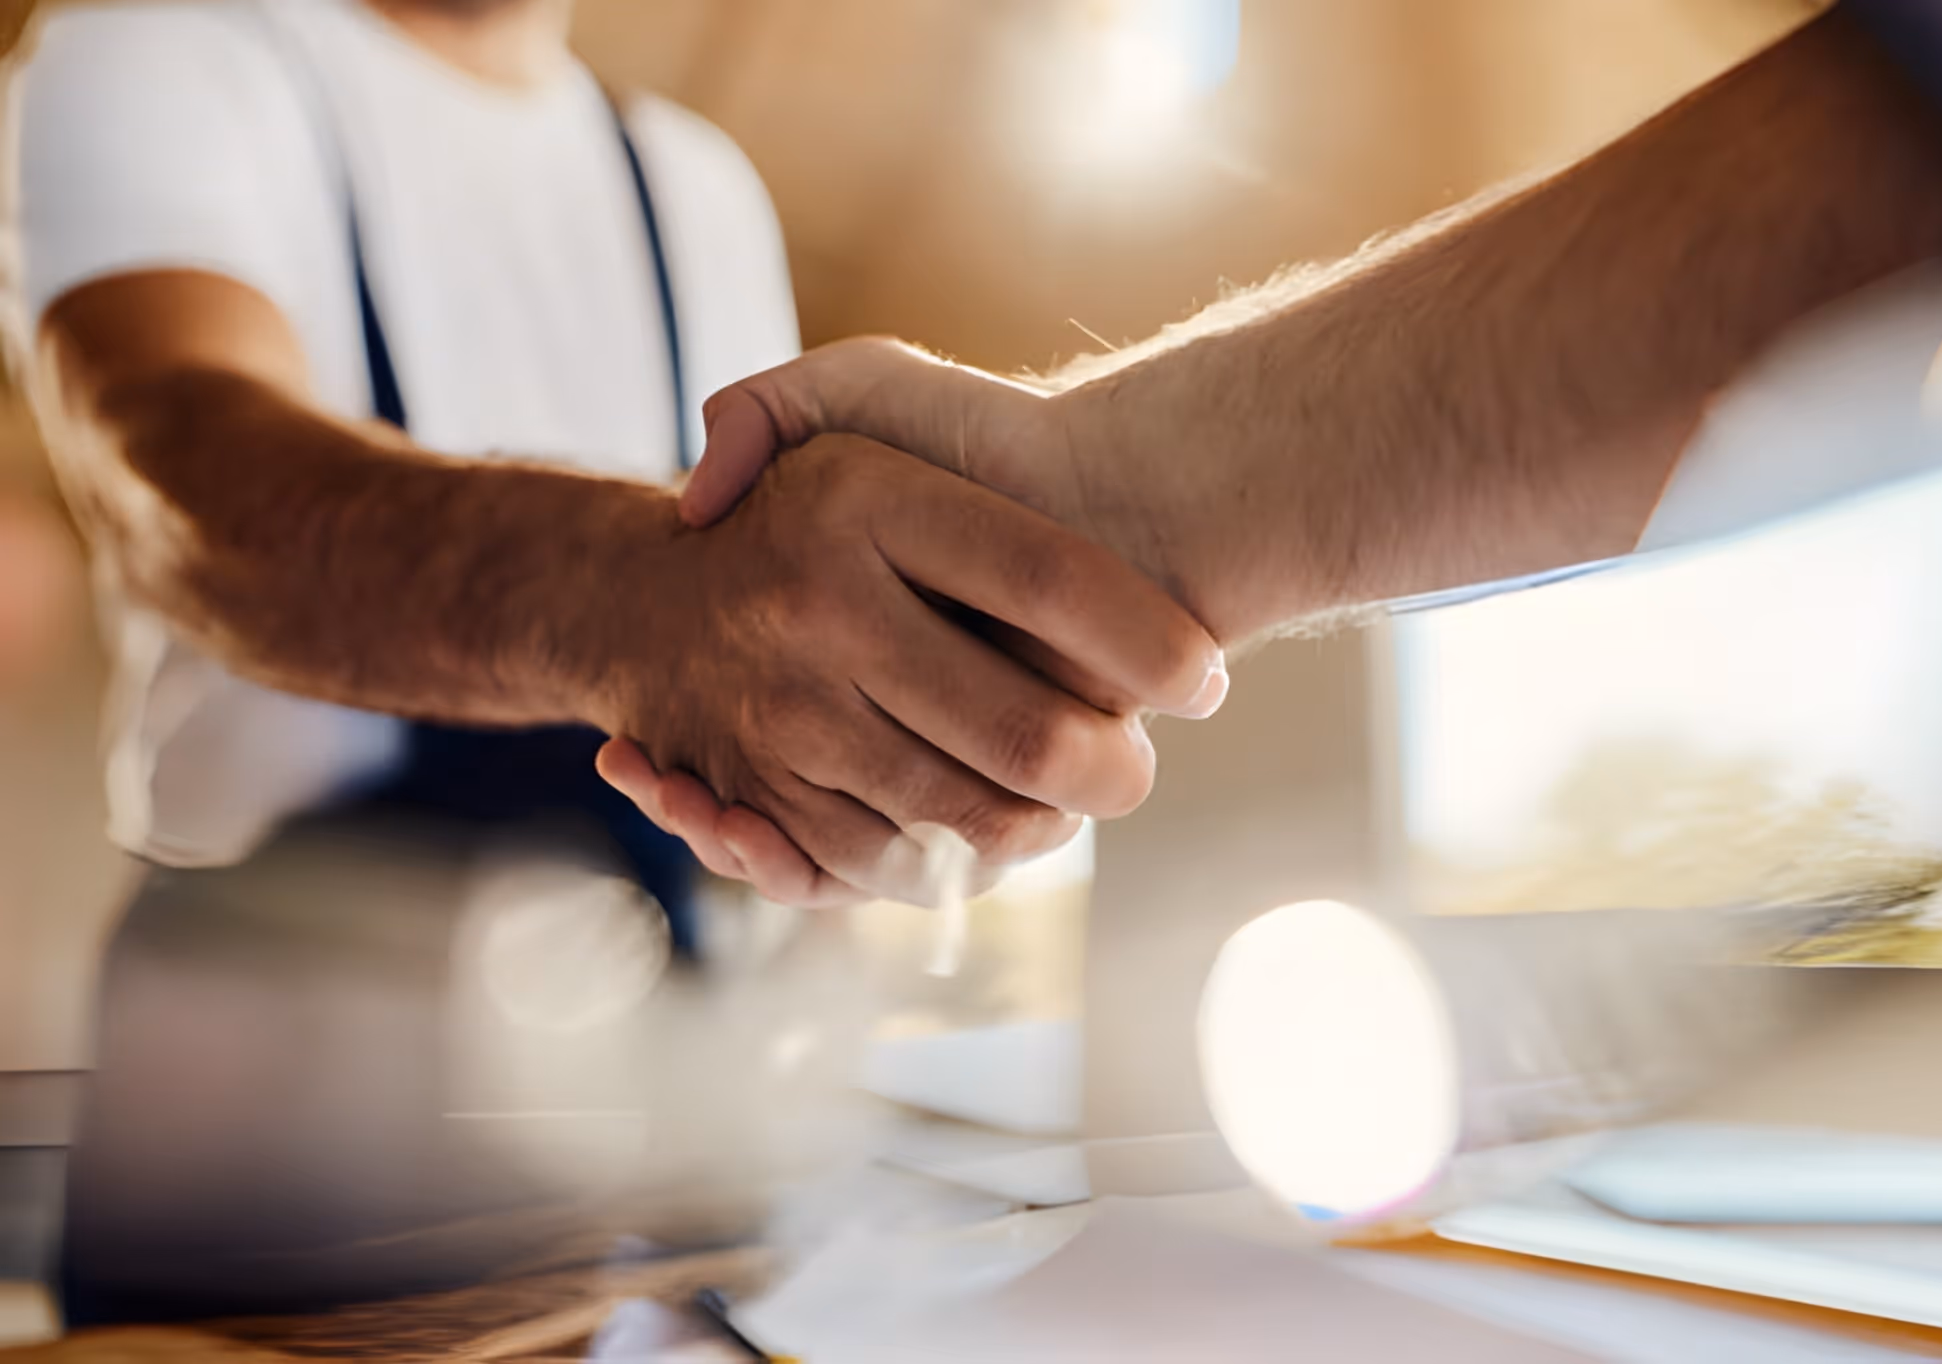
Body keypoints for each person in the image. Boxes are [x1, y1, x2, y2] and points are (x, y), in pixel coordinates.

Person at [617, 2, 1942, 899]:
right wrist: (1091, 503)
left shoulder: (692, 193)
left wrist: (1079, 510)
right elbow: (1922, 151)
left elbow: (1928, 146)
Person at [8, 0, 1226, 931]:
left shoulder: (694, 182)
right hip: (269, 1050)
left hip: (652, 1057)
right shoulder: (155, 53)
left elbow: (769, 674)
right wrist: (640, 606)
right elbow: (187, 487)